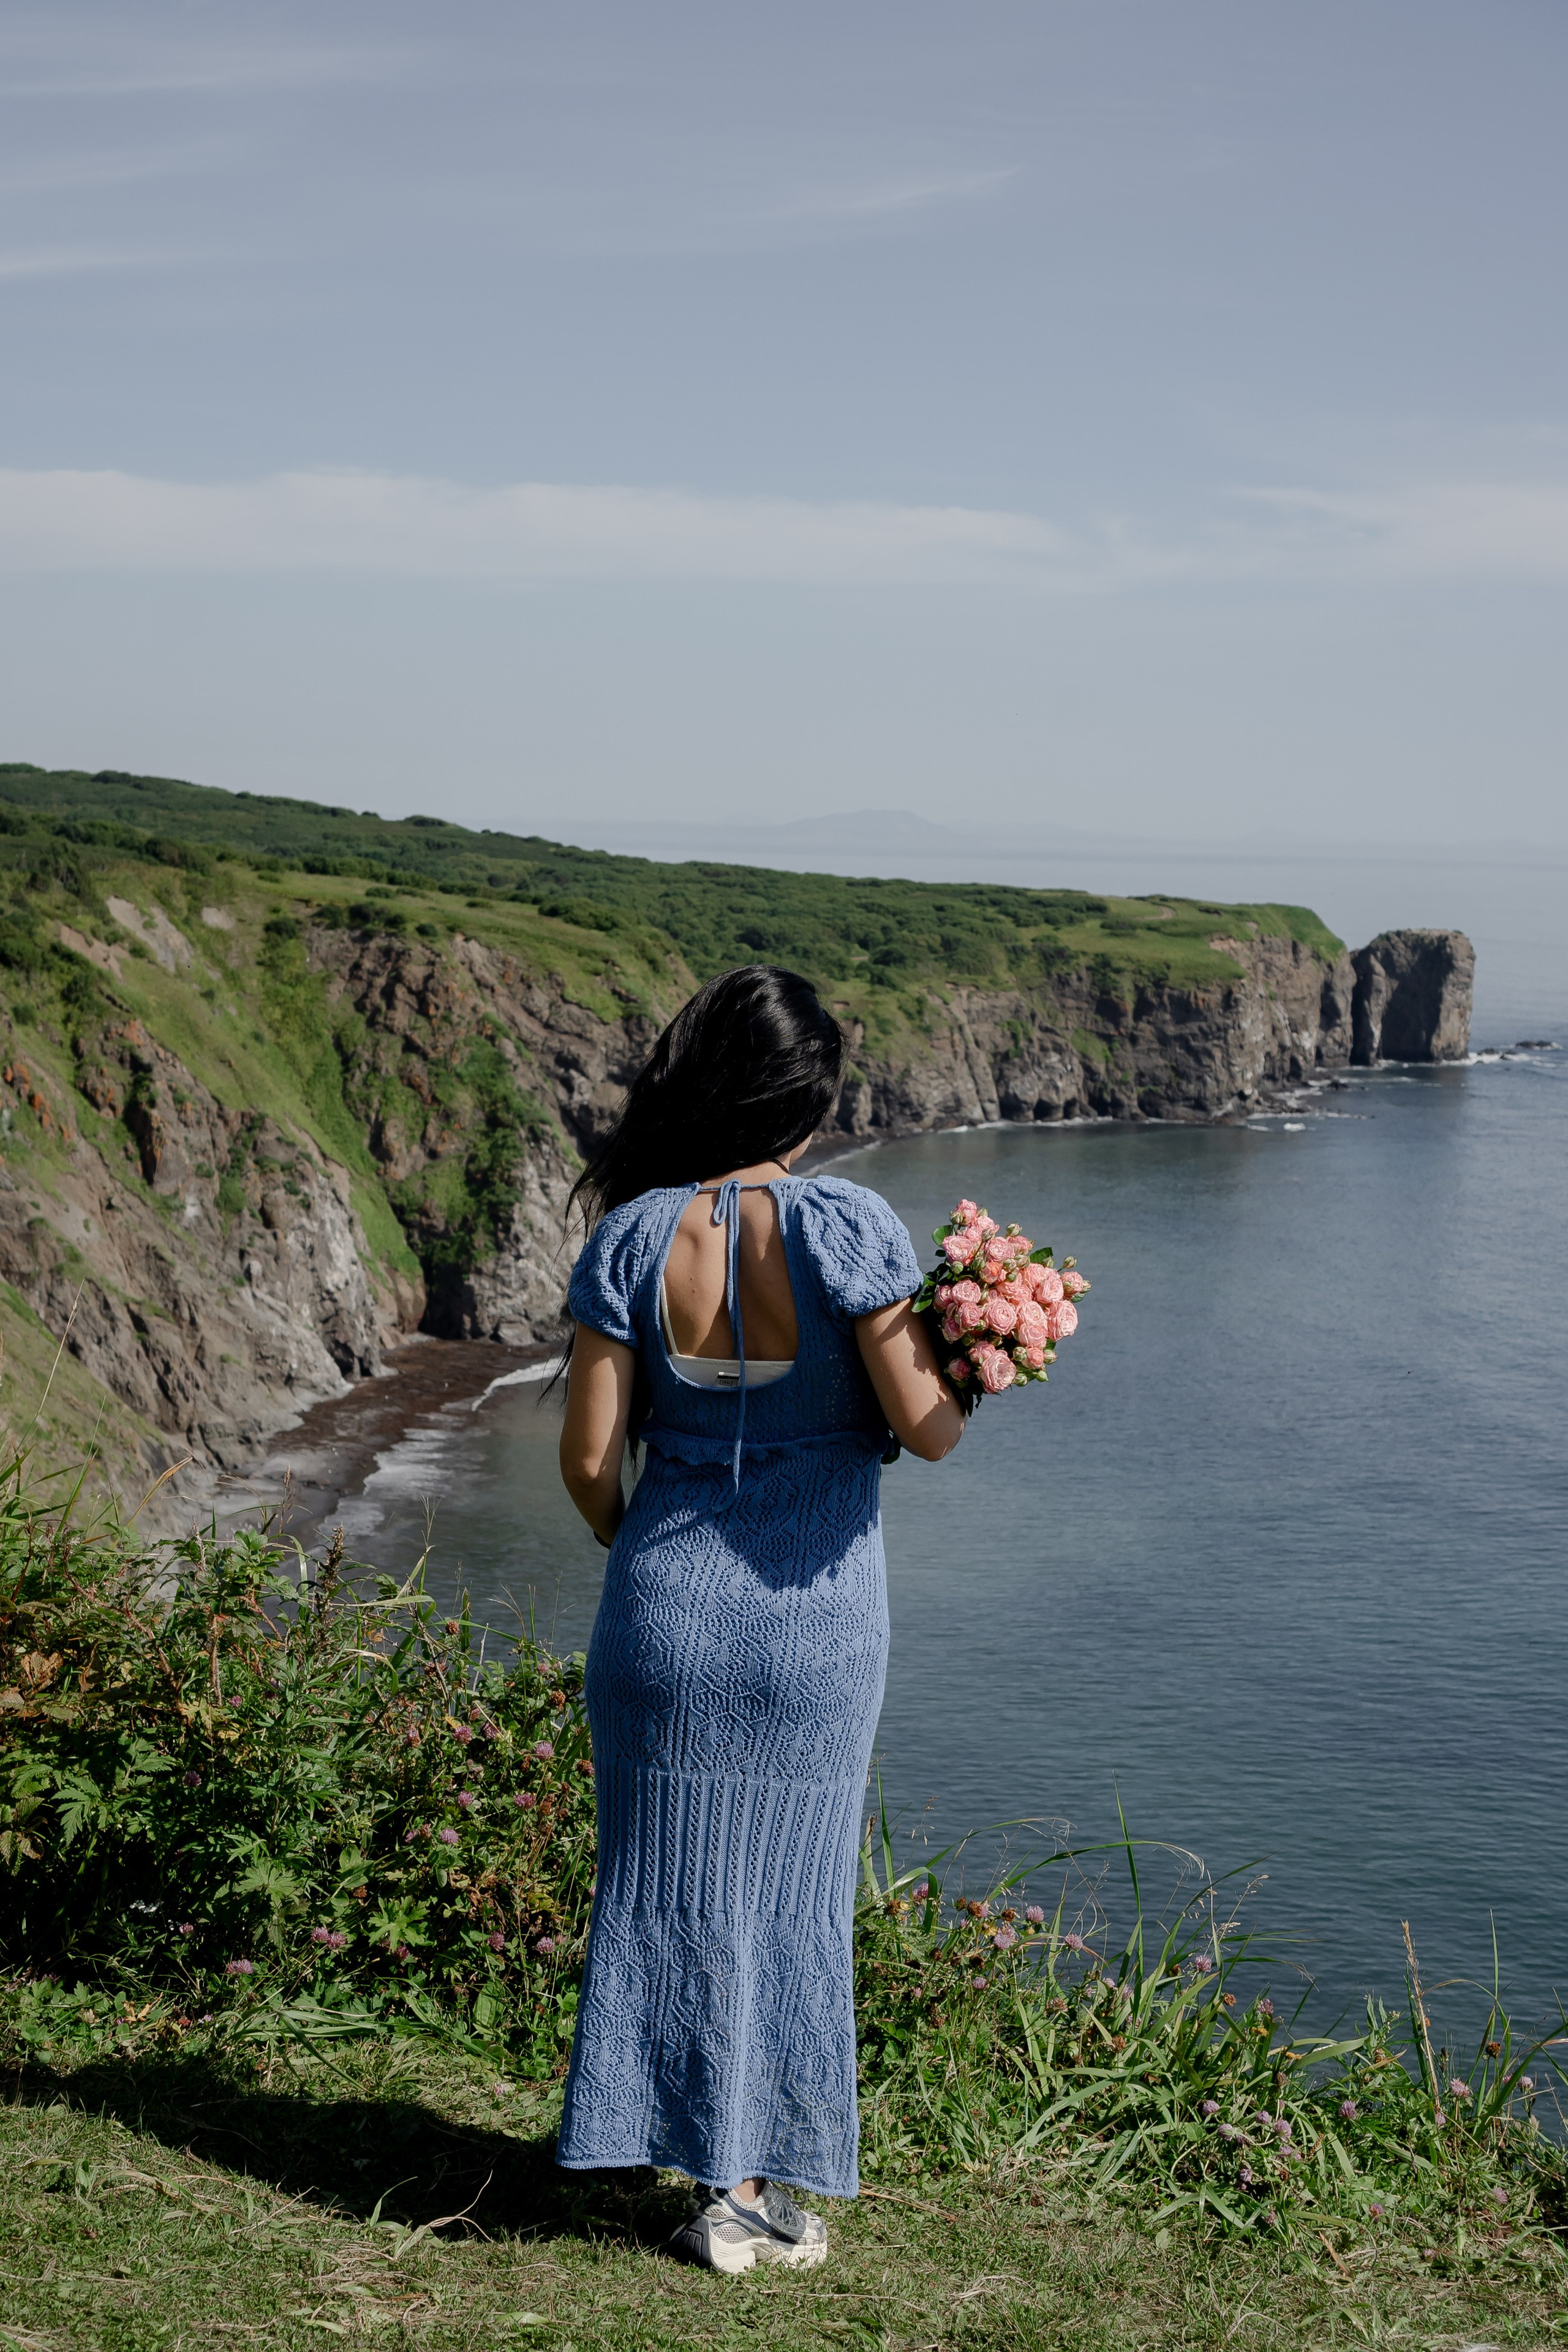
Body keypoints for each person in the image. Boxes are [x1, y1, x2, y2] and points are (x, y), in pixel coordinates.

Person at [554, 963, 964, 2274]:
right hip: (815, 1622)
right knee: (791, 1897)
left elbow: (584, 1460)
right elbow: (928, 1431)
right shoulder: (847, 1227)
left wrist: (647, 1556)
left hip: (662, 1614)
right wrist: (983, 1361)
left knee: (662, 1890)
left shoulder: (631, 1235)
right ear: (809, 1098)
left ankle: (704, 2172)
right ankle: (755, 2192)